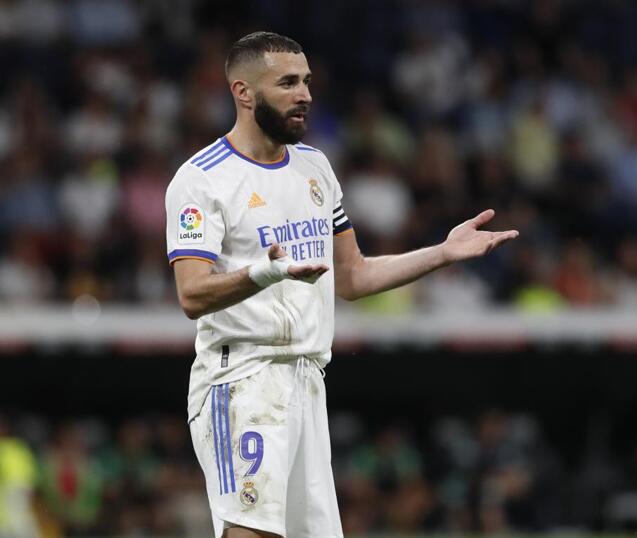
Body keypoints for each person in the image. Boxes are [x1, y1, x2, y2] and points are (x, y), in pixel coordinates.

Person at [165, 31, 519, 538]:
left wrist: (442, 253)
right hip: (241, 379)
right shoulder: (202, 180)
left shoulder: (315, 167)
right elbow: (191, 293)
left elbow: (352, 276)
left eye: (307, 81)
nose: (305, 95)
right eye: (288, 83)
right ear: (243, 92)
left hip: (308, 380)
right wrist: (266, 272)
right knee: (250, 532)